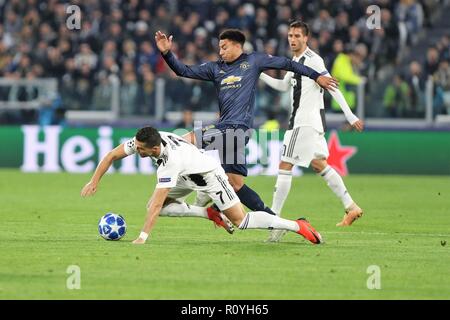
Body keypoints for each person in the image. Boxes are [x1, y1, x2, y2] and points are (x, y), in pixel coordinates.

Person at [154, 28, 338, 221]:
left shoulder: (254, 61)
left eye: (224, 47)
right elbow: (183, 70)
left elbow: (287, 64)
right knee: (235, 185)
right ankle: (277, 221)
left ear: (236, 45)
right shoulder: (215, 68)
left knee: (185, 141)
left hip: (237, 129)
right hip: (228, 131)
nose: (221, 52)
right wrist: (167, 53)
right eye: (219, 48)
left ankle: (196, 188)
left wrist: (317, 76)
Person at [80, 127, 323, 245]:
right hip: (188, 176)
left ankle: (296, 226)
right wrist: (94, 180)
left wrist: (142, 237)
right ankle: (208, 212)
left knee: (241, 222)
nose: (137, 150)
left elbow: (155, 203)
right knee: (161, 207)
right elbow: (112, 155)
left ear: (154, 149)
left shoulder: (168, 162)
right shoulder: (147, 139)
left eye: (141, 150)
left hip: (209, 176)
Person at [258, 21, 364, 242]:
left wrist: (350, 116)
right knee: (319, 165)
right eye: (290, 35)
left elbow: (332, 86)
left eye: (297, 35)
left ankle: (274, 222)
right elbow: (283, 86)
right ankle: (351, 206)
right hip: (309, 123)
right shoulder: (295, 61)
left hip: (303, 123)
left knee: (285, 166)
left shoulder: (313, 60)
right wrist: (258, 74)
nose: (292, 39)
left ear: (306, 38)